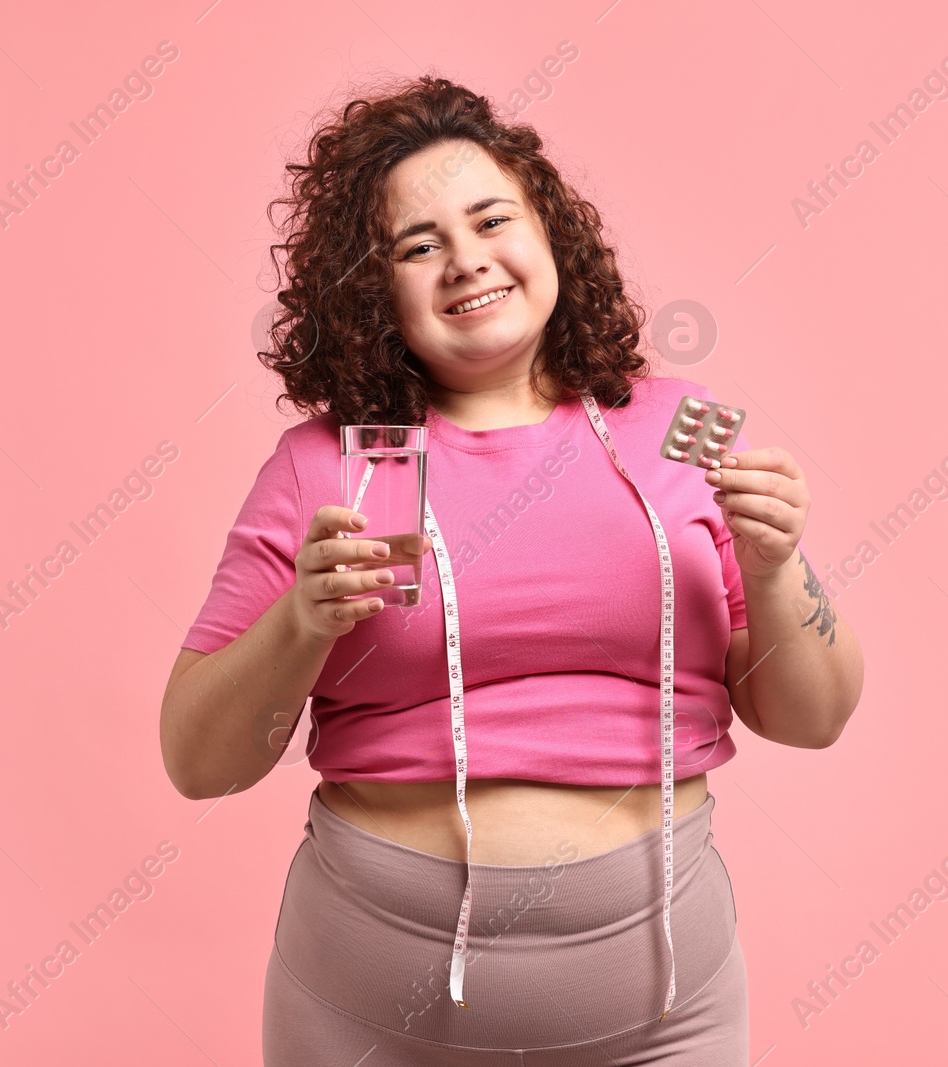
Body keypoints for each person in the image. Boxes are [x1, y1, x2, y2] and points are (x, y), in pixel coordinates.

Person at [159, 74, 864, 1065]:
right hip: (366, 1025)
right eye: (417, 245)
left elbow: (816, 714)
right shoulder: (329, 470)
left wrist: (776, 561)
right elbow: (198, 759)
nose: (465, 260)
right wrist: (299, 622)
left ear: (550, 236)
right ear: (372, 290)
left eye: (492, 218)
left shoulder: (684, 431)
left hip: (661, 1024)